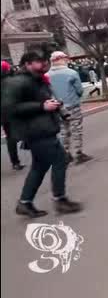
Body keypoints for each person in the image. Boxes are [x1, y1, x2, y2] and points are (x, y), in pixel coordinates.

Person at [1, 51, 83, 218]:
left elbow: (46, 99)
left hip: (44, 128)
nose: (44, 64)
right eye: (39, 62)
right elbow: (9, 108)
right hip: (35, 131)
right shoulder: (16, 82)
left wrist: (56, 106)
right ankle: (60, 200)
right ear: (27, 64)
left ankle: (25, 203)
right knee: (61, 159)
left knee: (39, 167)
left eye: (45, 61)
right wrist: (41, 106)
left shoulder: (38, 80)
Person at [48, 51, 93, 165]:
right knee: (76, 129)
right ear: (61, 59)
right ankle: (78, 153)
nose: (67, 60)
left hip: (57, 107)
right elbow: (79, 90)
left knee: (63, 130)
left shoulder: (47, 75)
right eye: (65, 58)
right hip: (72, 105)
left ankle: (65, 154)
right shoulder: (71, 73)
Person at [1, 60, 23, 170]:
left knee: (10, 137)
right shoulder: (12, 81)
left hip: (3, 114)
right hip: (14, 111)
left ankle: (15, 162)